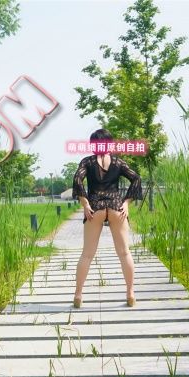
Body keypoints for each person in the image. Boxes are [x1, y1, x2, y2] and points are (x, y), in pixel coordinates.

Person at [71, 128, 144, 308]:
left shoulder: (87, 162)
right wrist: (126, 202)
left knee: (87, 254)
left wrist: (85, 203)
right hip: (116, 206)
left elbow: (77, 179)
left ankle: (78, 295)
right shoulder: (118, 162)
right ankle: (130, 293)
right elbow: (136, 178)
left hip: (94, 208)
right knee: (124, 252)